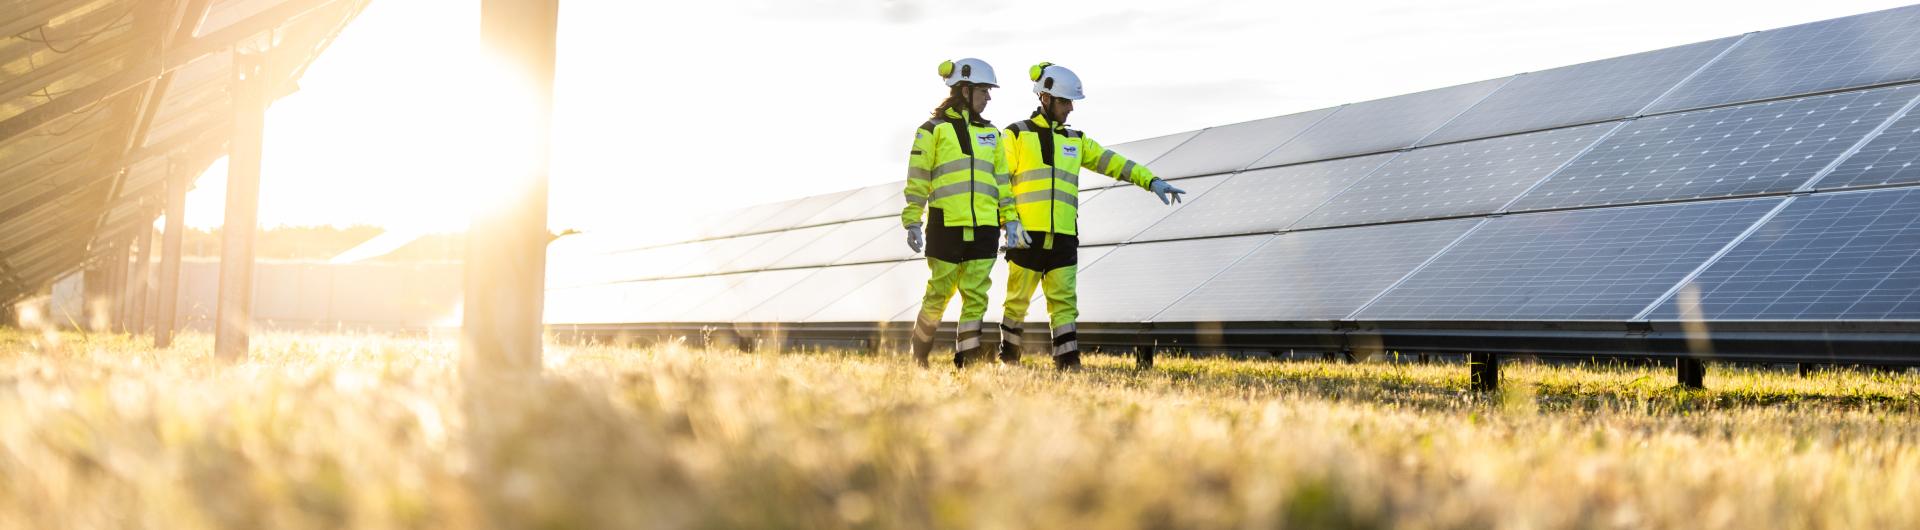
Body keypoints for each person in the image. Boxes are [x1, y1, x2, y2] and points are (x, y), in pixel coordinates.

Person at [999, 62, 1186, 369]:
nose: (1070, 108)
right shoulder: (1016, 134)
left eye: (1071, 102)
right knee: (1017, 301)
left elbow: (1112, 162)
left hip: (1063, 237)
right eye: (1065, 101)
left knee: (1064, 304)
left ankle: (1068, 363)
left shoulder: (1076, 139)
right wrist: (1009, 221)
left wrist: (1151, 180)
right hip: (1026, 235)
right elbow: (999, 180)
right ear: (1045, 97)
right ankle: (1008, 361)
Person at [903, 58, 1033, 368]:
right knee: (938, 293)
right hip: (945, 225)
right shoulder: (931, 130)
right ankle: (918, 357)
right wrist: (912, 221)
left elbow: (1002, 182)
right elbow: (918, 178)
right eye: (984, 91)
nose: (988, 98)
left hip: (985, 229)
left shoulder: (992, 133)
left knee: (976, 296)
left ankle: (967, 362)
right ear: (965, 90)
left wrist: (1011, 220)